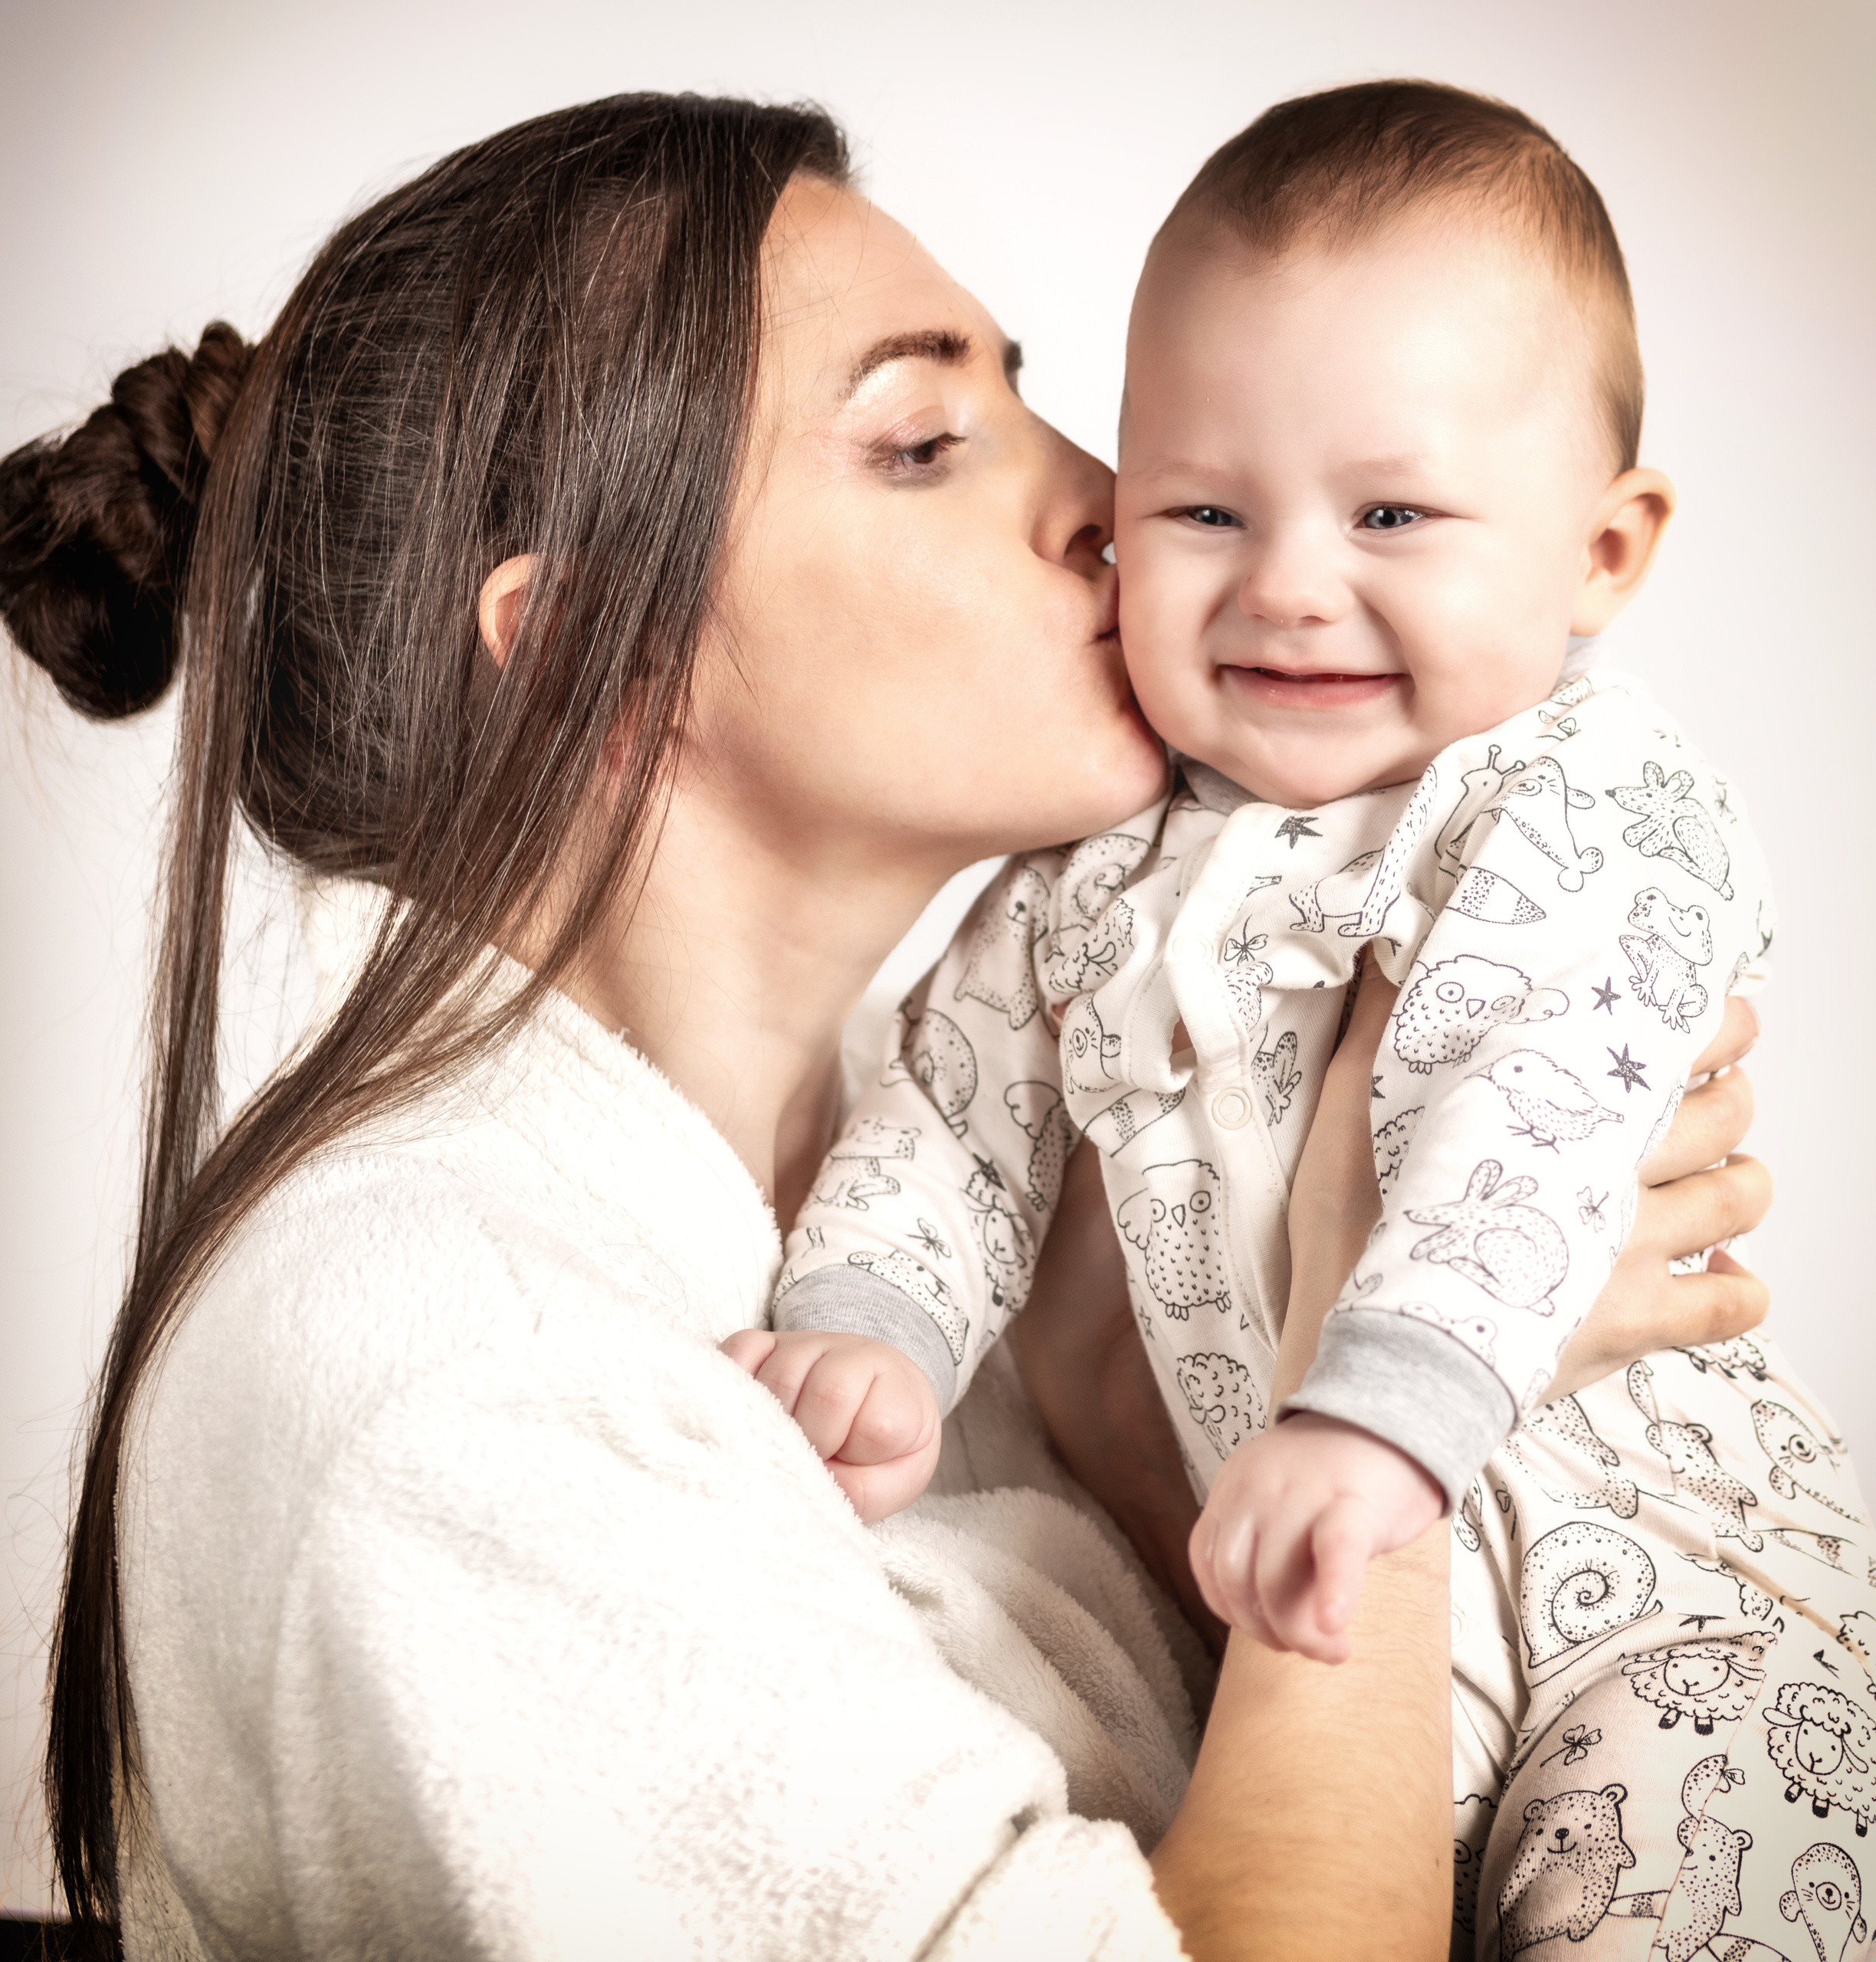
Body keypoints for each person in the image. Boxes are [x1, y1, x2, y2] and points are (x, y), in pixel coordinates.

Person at [0, 93, 1769, 1960]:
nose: (1110, 498)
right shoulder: (459, 1392)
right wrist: (1363, 1365)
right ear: (606, 651)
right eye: (923, 440)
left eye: (1027, 393)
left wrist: (1138, 1418)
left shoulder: (982, 1171)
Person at [756, 82, 1875, 1960]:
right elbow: (952, 1117)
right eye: (1200, 506)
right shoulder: (1086, 866)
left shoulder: (1574, 795)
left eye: (1388, 511)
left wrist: (1377, 1412)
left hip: (1669, 1603)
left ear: (1600, 552)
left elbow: (1532, 1106)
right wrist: (870, 1323)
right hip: (1323, 1606)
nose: (1284, 583)